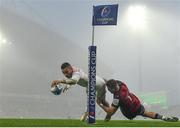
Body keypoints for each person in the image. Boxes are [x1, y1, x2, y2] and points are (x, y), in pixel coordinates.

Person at [97, 79, 179, 122]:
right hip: (135, 102)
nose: (108, 90)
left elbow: (111, 111)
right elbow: (110, 82)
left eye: (109, 89)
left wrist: (99, 103)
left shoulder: (118, 97)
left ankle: (106, 121)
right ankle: (163, 117)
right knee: (145, 113)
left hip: (129, 112)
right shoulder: (120, 83)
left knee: (112, 110)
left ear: (113, 88)